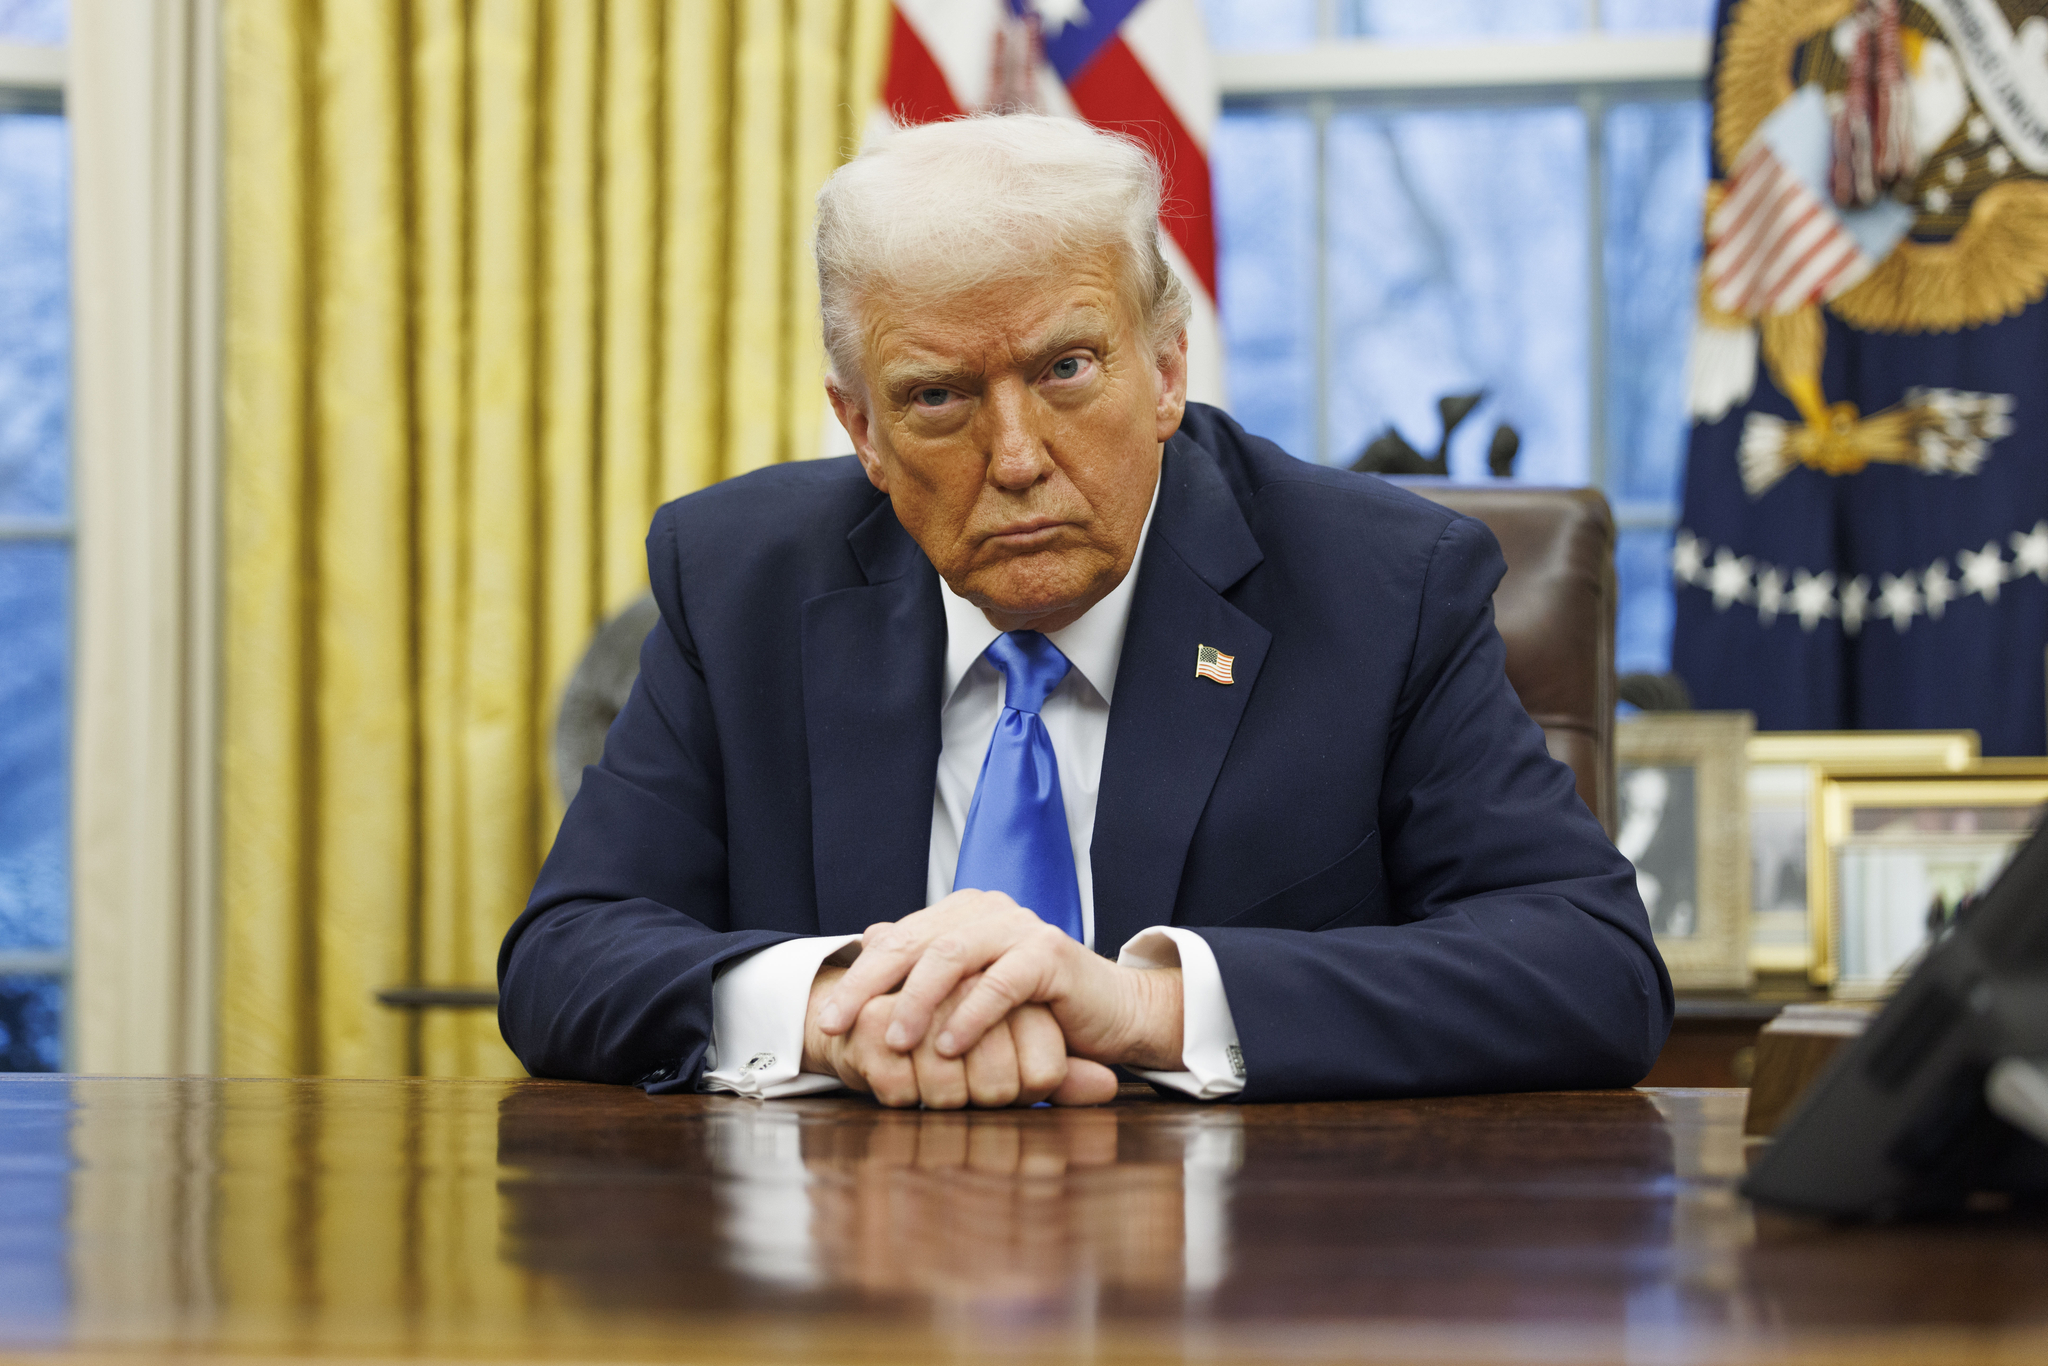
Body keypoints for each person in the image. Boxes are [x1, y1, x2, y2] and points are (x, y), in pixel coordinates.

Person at [498, 114, 1672, 1107]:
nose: (1014, 458)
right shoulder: (740, 578)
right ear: (860, 427)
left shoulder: (1376, 585)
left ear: (1164, 371)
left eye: (1064, 369)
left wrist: (1148, 1004)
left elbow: (1590, 967)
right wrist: (830, 1007)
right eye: (937, 396)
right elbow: (563, 954)